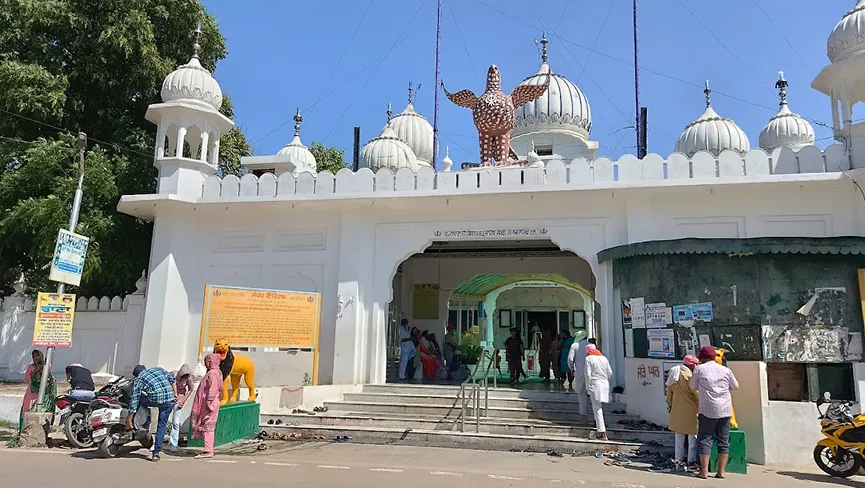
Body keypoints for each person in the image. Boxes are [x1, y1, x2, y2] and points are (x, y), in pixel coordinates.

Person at [690, 346, 739, 479]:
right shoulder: (725, 370)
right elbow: (735, 386)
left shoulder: (699, 369)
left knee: (705, 438)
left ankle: (704, 471)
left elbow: (692, 386)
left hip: (707, 409)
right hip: (725, 409)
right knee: (723, 440)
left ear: (702, 358)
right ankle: (721, 472)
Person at [126, 366, 177, 462]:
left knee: (140, 400)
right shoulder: (157, 369)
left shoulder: (140, 379)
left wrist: (129, 419)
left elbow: (134, 400)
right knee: (161, 426)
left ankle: (139, 421)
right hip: (169, 399)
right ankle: (156, 454)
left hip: (156, 399)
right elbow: (172, 379)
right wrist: (175, 394)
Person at [666, 355, 700, 465]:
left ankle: (678, 460)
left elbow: (669, 394)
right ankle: (691, 461)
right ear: (692, 365)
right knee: (692, 438)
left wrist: (671, 405)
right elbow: (697, 394)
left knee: (679, 437)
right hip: (691, 409)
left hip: (676, 409)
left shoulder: (674, 374)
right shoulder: (689, 376)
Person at [191, 354, 223, 459]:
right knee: (207, 426)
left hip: (210, 403)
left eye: (207, 362)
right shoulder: (218, 372)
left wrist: (209, 400)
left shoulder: (212, 373)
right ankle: (208, 449)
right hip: (214, 401)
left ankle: (208, 450)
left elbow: (213, 387)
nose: (205, 364)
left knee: (208, 427)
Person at [19, 350, 55, 431]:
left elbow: (49, 378)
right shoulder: (31, 367)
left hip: (43, 392)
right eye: (34, 356)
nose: (35, 358)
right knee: (28, 409)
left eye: (37, 355)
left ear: (41, 356)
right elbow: (27, 380)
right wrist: (35, 370)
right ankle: (24, 430)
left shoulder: (46, 366)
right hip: (32, 392)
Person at [585, 343, 613, 441]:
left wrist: (588, 386)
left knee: (597, 409)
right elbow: (610, 372)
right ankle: (600, 429)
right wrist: (605, 380)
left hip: (595, 384)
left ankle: (602, 433)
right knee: (599, 408)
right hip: (605, 384)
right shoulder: (604, 358)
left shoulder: (589, 359)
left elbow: (587, 374)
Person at [168, 364, 195, 453]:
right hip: (170, 397)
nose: (184, 378)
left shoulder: (188, 378)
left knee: (176, 422)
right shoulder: (173, 375)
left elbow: (191, 389)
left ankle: (173, 443)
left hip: (179, 398)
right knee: (164, 419)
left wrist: (183, 400)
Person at [568, 336, 591, 424]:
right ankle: (597, 419)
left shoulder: (575, 345)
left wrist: (571, 369)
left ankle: (584, 418)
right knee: (594, 397)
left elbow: (570, 359)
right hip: (592, 374)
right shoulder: (591, 345)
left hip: (580, 373)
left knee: (582, 395)